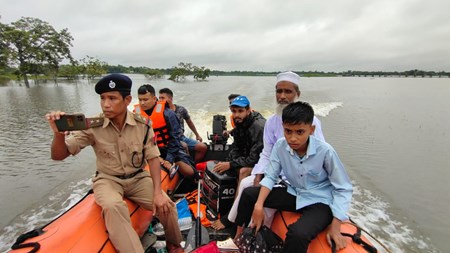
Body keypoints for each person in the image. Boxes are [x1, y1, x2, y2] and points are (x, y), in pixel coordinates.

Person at [45, 74, 183, 253]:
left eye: (112, 98)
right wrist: (58, 134)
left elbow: (153, 157)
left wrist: (157, 192)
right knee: (113, 207)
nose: (105, 104)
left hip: (138, 178)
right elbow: (59, 155)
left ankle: (174, 245)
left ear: (127, 100)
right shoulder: (92, 126)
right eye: (102, 98)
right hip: (108, 179)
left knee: (166, 206)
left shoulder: (143, 125)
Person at [234, 101, 353, 253]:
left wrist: (336, 226)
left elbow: (343, 188)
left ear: (311, 129)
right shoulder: (280, 146)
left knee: (298, 234)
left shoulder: (325, 152)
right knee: (248, 194)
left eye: (299, 132)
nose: (293, 138)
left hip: (321, 201)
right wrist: (258, 206)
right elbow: (270, 176)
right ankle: (238, 239)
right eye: (288, 131)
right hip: (295, 193)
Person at [220, 71, 326, 230]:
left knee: (263, 202)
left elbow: (319, 156)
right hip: (274, 174)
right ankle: (235, 228)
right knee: (245, 184)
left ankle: (256, 235)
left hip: (298, 181)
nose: (282, 96)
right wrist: (258, 174)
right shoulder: (271, 122)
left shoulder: (310, 122)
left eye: (288, 91)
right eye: (279, 91)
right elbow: (267, 153)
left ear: (297, 94)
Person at [211, 95, 266, 230]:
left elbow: (254, 158)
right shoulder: (240, 123)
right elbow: (236, 147)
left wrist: (231, 164)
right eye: (234, 111)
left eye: (240, 111)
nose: (236, 115)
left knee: (243, 171)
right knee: (220, 165)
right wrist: (229, 161)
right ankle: (227, 204)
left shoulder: (258, 127)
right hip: (249, 158)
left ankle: (232, 217)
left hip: (264, 163)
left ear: (248, 110)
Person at [134, 84, 197, 179]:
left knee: (190, 173)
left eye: (145, 99)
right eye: (140, 99)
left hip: (168, 149)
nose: (142, 103)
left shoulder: (168, 114)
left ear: (154, 98)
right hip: (147, 151)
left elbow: (175, 138)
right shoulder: (135, 115)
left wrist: (169, 159)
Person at [159, 88, 207, 163]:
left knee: (203, 147)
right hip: (169, 140)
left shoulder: (181, 110)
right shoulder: (159, 112)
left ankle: (193, 165)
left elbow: (189, 122)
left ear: (170, 98)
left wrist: (197, 134)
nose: (160, 100)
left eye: (163, 98)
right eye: (159, 98)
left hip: (181, 137)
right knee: (184, 146)